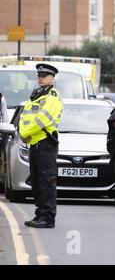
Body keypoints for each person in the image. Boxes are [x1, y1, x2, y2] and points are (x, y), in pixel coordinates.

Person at [20, 64, 64, 228]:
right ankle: (40, 214)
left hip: (45, 142)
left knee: (47, 180)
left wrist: (26, 133)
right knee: (37, 180)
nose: (40, 77)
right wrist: (23, 133)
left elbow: (42, 120)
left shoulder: (52, 97)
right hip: (34, 142)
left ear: (52, 78)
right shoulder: (37, 95)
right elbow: (26, 117)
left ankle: (48, 217)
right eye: (39, 75)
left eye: (44, 75)